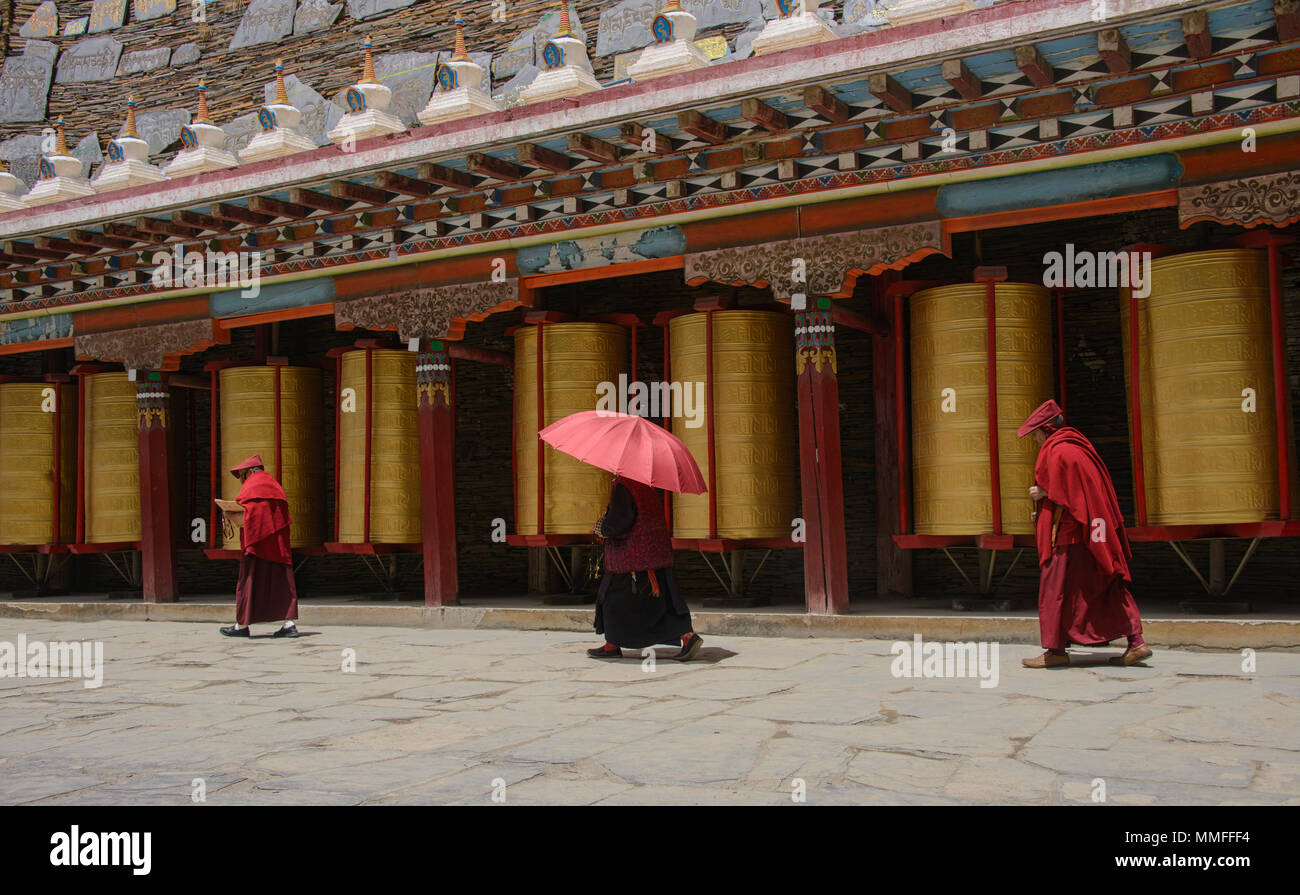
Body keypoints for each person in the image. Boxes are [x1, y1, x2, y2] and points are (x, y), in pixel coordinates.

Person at [1018, 399, 1150, 668]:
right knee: (1104, 583)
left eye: (1035, 436)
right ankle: (1137, 643)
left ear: (1045, 430)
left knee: (1055, 590)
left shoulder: (1059, 451)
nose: (1036, 442)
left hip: (1069, 535)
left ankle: (1056, 651)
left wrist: (1042, 493)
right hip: (1089, 534)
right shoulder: (1078, 447)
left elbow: (1073, 493)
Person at [588, 474, 703, 661]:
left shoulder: (624, 486)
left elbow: (621, 522)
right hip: (654, 554)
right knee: (661, 601)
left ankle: (612, 645)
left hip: (632, 558)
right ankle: (687, 637)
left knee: (612, 598)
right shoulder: (643, 484)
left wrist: (603, 527)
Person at [220, 454, 300, 638]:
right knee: (282, 583)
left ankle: (241, 626)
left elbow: (250, 514)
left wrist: (230, 514)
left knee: (247, 583)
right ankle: (289, 624)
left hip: (256, 544)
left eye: (242, 475)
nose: (242, 479)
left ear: (249, 472)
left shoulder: (253, 485)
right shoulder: (274, 485)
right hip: (278, 546)